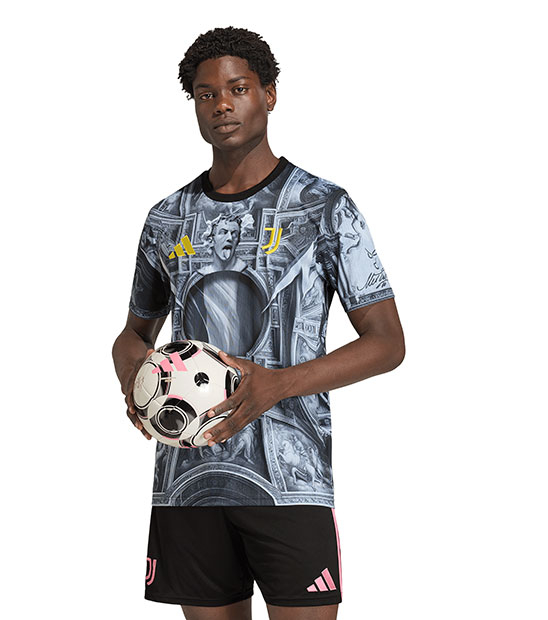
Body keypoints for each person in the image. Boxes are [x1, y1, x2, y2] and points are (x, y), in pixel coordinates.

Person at [112, 26, 405, 620]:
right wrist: (138, 384)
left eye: (238, 88)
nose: (222, 104)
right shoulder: (167, 218)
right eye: (206, 94)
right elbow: (133, 336)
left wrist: (277, 384)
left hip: (290, 480)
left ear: (269, 94)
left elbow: (387, 342)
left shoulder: (323, 206)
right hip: (188, 479)